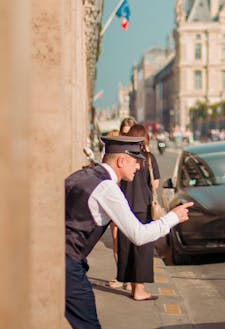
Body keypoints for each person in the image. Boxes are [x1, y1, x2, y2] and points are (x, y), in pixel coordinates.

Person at [65, 134, 192, 329]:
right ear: (121, 161)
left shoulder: (81, 176)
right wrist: (173, 217)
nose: (139, 167)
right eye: (136, 161)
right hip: (67, 263)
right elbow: (138, 235)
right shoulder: (108, 188)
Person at [115, 124, 161, 301]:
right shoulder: (148, 158)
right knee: (142, 248)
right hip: (143, 207)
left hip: (124, 206)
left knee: (127, 247)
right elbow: (155, 183)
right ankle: (139, 290)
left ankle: (132, 286)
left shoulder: (124, 157)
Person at [108, 115, 137, 289]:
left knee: (132, 238)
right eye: (123, 133)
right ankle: (121, 276)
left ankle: (132, 277)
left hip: (133, 201)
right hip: (115, 197)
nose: (126, 138)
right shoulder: (116, 149)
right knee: (117, 238)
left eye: (129, 134)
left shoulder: (137, 154)